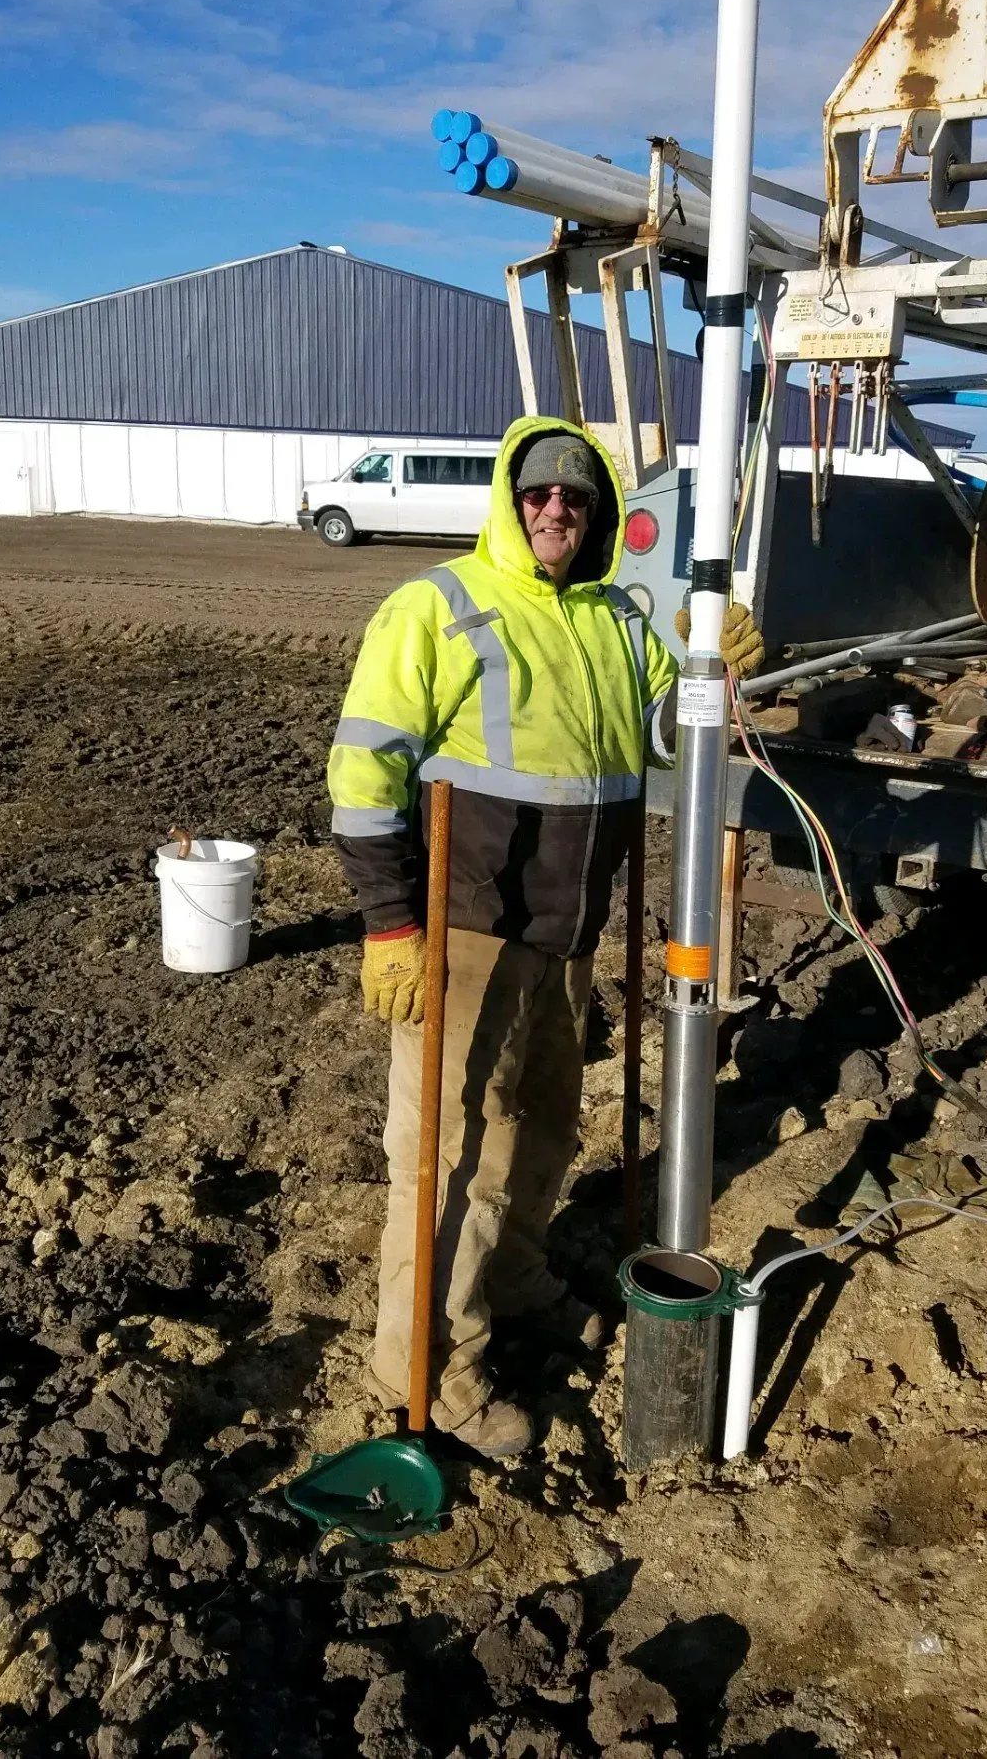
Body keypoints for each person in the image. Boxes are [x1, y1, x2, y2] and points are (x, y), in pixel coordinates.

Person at [328, 417, 764, 1459]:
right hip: (469, 928)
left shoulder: (615, 622)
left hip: (570, 935)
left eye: (576, 494)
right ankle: (429, 1368)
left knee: (541, 1130)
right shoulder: (435, 605)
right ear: (507, 499)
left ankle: (514, 1275)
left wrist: (715, 662)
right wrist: (392, 923)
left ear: (602, 511)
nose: (555, 507)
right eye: (537, 492)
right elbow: (360, 778)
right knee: (449, 1158)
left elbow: (669, 733)